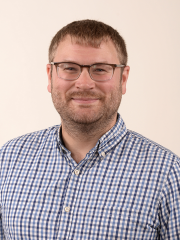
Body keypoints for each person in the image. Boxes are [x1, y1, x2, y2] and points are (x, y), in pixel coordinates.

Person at [0, 19, 180, 240]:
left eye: (101, 69)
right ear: (50, 76)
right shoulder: (8, 159)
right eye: (69, 68)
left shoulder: (169, 174)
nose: (84, 84)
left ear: (123, 79)